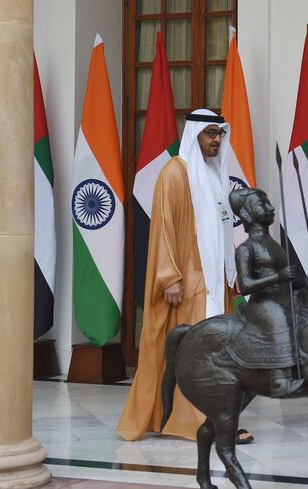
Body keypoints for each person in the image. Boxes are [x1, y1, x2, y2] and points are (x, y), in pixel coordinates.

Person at [117, 109, 252, 443]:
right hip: (188, 282)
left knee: (217, 354)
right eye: (210, 134)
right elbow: (162, 228)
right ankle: (198, 422)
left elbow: (222, 229)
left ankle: (216, 419)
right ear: (194, 135)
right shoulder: (176, 173)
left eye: (220, 133)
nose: (216, 140)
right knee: (196, 354)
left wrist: (231, 271)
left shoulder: (214, 173)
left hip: (214, 282)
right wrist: (170, 277)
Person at [226, 187, 304, 397]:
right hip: (264, 304)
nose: (270, 208)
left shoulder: (273, 244)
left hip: (283, 298)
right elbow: (246, 284)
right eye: (262, 204)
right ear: (246, 214)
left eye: (268, 203)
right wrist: (278, 278)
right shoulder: (246, 248)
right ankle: (280, 378)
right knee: (280, 319)